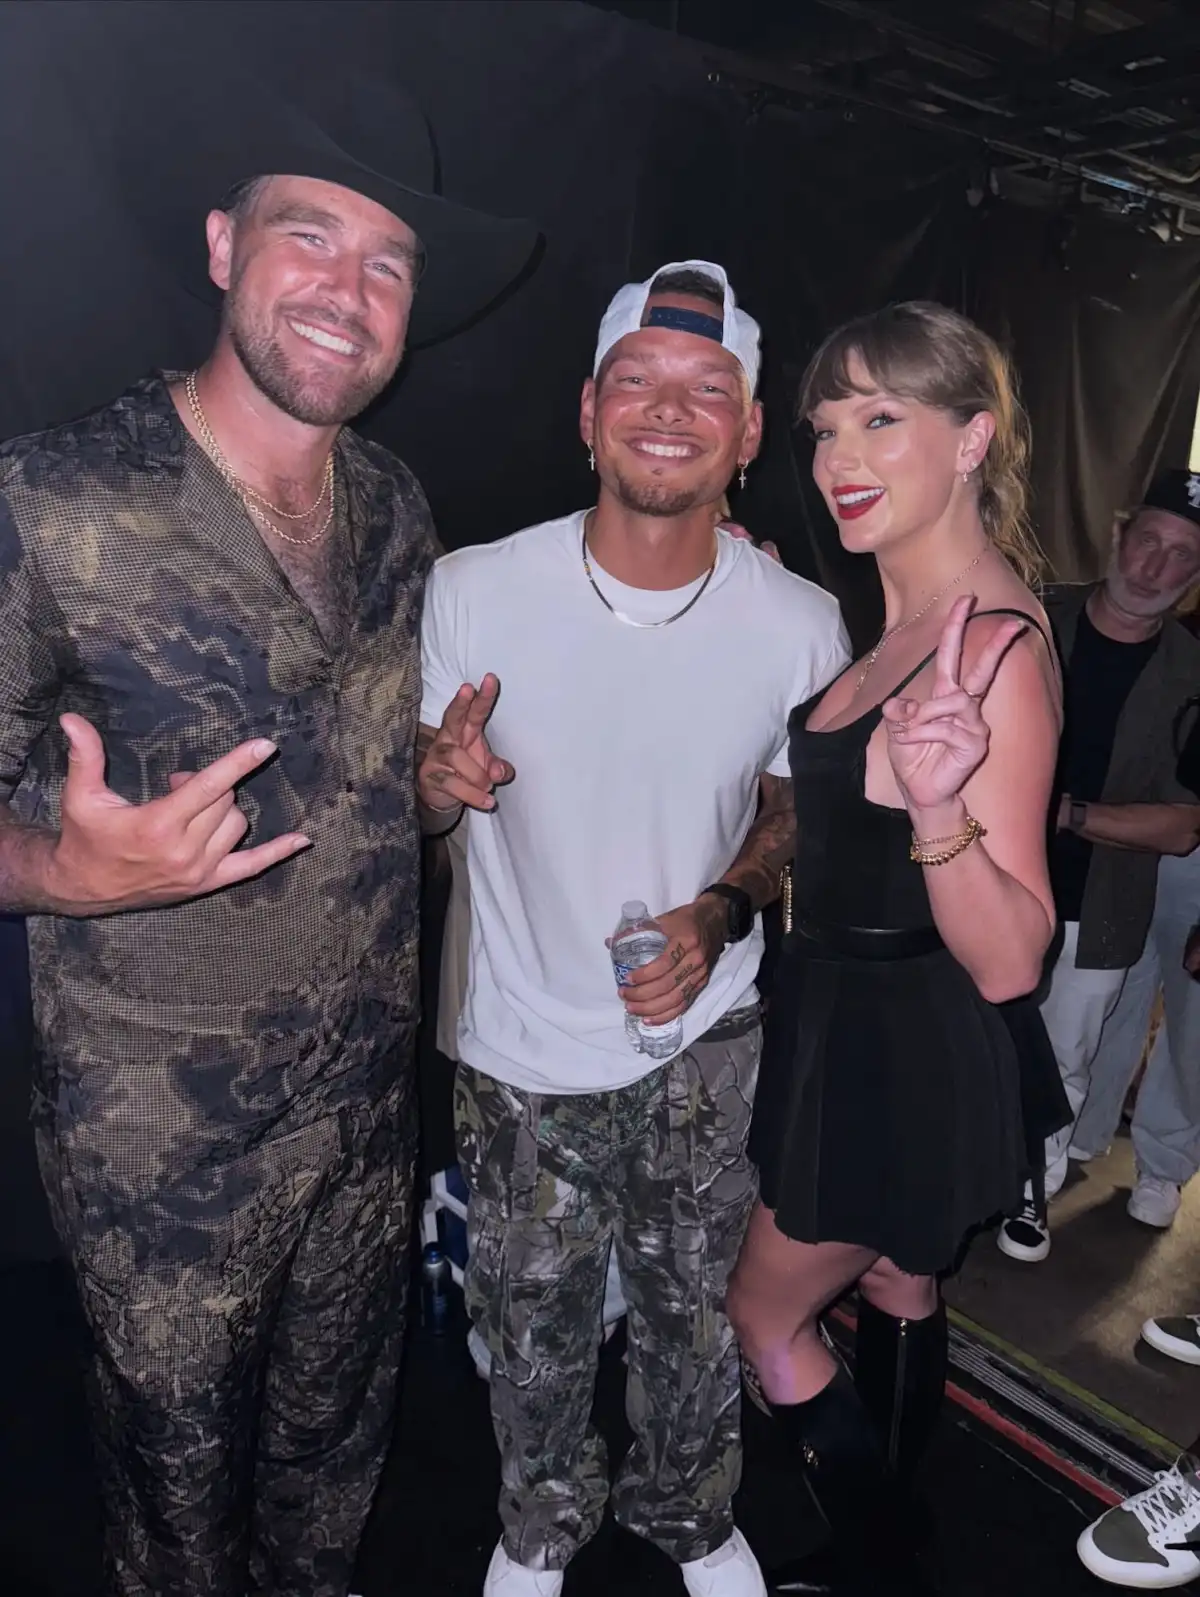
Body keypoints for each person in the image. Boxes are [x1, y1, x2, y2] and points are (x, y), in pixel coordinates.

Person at [0, 77, 536, 1597]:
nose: (347, 290)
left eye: (388, 264)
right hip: (162, 1151)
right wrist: (63, 871)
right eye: (311, 236)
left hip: (364, 1120)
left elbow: (371, 789)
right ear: (225, 246)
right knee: (176, 1515)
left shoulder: (399, 510)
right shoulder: (52, 503)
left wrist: (434, 785)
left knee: (334, 1478)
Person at [417, 260, 849, 1597]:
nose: (669, 409)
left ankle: (690, 1517)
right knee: (530, 1322)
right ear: (588, 413)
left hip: (706, 1039)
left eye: (707, 388)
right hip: (523, 1037)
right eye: (638, 381)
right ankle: (539, 1529)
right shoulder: (473, 587)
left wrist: (721, 911)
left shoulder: (802, 619)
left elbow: (794, 808)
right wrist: (434, 783)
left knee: (692, 1312)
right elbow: (422, 804)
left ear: (751, 430)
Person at [725, 301, 1065, 1594]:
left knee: (763, 1311)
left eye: (880, 418)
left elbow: (1014, 958)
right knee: (897, 1286)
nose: (839, 458)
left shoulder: (994, 648)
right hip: (847, 1015)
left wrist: (933, 813)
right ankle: (889, 1545)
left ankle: (881, 1550)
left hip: (904, 1046)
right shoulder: (901, 617)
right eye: (824, 427)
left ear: (972, 438)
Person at [996, 474, 1200, 1263]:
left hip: (1101, 900)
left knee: (1065, 1053)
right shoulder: (1030, 614)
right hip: (986, 878)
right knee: (964, 1033)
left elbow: (1181, 826)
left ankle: (1032, 1185)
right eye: (1148, 540)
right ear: (1119, 534)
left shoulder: (1191, 671)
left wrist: (1066, 813)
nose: (1154, 567)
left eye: (1180, 556)